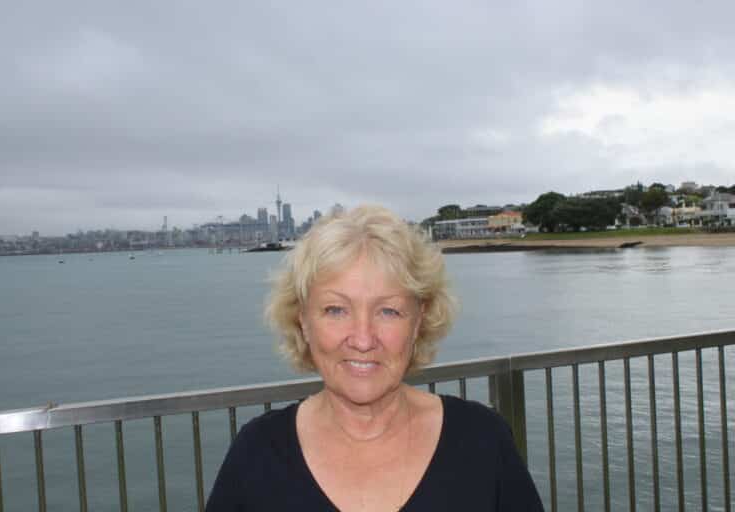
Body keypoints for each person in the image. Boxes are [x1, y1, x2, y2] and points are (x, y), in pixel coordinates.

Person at [206, 205, 543, 511]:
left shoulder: (483, 441)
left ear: (419, 321)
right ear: (303, 321)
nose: (363, 339)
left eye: (388, 311)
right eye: (336, 310)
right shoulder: (256, 454)